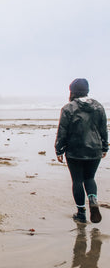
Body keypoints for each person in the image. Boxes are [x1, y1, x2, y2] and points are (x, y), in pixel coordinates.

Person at [55, 78, 108, 223]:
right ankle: (92, 199)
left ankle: (81, 213)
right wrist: (105, 147)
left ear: (73, 91)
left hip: (75, 150)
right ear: (87, 91)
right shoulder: (98, 107)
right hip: (95, 149)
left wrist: (59, 149)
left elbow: (62, 131)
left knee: (77, 180)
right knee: (90, 178)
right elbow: (104, 129)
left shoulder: (68, 108)